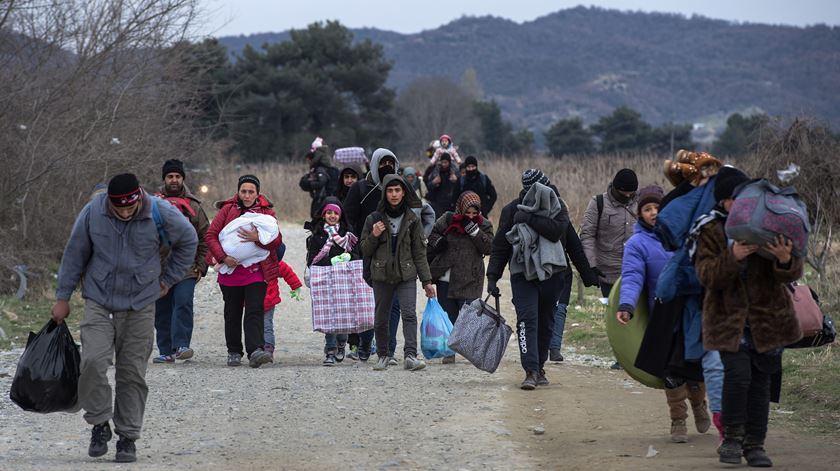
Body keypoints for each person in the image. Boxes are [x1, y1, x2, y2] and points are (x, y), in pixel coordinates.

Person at [52, 173, 197, 463]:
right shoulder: (94, 211)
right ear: (110, 202)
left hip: (141, 303)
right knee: (92, 361)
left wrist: (167, 279)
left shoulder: (160, 211)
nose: (125, 213)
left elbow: (189, 241)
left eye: (130, 208)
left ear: (138, 198)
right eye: (119, 209)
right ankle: (99, 422)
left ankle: (128, 437)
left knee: (131, 373)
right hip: (99, 299)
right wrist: (62, 297)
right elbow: (75, 253)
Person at [694, 167, 803, 467]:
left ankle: (756, 444)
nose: (742, 203)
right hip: (730, 322)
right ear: (724, 202)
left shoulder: (766, 226)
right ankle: (731, 439)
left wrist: (785, 260)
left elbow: (791, 274)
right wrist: (733, 257)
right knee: (738, 378)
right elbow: (706, 276)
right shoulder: (711, 230)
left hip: (769, 320)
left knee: (761, 384)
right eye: (734, 199)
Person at [615, 185, 711, 443]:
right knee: (669, 371)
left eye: (658, 207)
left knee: (692, 366)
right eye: (647, 209)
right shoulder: (636, 244)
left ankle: (700, 405)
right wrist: (626, 305)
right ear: (640, 214)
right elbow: (633, 277)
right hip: (663, 315)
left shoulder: (686, 235)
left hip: (690, 312)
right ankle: (678, 419)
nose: (653, 213)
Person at [487, 169, 570, 390]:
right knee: (527, 320)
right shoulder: (512, 210)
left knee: (546, 322)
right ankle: (530, 371)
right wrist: (492, 276)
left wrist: (530, 219)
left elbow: (559, 233)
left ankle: (540, 366)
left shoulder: (558, 207)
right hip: (522, 275)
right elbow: (501, 245)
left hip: (552, 276)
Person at [360, 175, 436, 372]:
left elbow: (420, 252)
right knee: (381, 317)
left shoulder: (412, 219)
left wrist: (427, 281)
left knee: (409, 314)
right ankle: (383, 356)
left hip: (406, 275)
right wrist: (374, 235)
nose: (394, 195)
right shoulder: (373, 219)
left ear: (404, 192)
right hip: (381, 275)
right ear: (385, 193)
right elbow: (364, 250)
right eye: (390, 190)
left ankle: (410, 355)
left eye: (397, 190)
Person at [206, 174, 282, 368]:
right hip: (230, 272)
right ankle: (233, 351)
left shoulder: (267, 213)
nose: (247, 195)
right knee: (232, 312)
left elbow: (277, 241)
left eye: (251, 192)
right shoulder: (227, 210)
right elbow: (211, 235)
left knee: (255, 309)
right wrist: (223, 258)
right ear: (238, 192)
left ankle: (255, 350)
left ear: (258, 194)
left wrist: (258, 237)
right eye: (243, 191)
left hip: (256, 272)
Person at [342, 148, 400, 361]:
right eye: (382, 163)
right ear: (375, 164)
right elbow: (348, 218)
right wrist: (356, 245)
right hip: (367, 253)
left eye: (391, 163)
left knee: (394, 305)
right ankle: (365, 345)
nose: (387, 167)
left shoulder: (399, 188)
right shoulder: (360, 188)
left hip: (395, 254)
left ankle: (389, 351)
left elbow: (418, 213)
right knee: (371, 304)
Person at [580, 168, 639, 369]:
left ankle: (637, 355)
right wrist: (592, 265)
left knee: (637, 313)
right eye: (625, 193)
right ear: (615, 189)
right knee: (617, 315)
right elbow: (587, 234)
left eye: (632, 193)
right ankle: (621, 357)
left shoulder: (641, 204)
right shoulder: (598, 203)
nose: (628, 197)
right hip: (608, 272)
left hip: (635, 270)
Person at [153, 159, 209, 364]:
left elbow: (205, 237)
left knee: (183, 303)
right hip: (159, 270)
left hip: (187, 268)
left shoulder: (194, 206)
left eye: (177, 176)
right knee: (162, 310)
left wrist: (201, 266)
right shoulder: (153, 204)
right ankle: (165, 350)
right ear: (164, 179)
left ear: (183, 178)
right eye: (170, 176)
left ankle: (182, 345)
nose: (174, 180)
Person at [427, 191, 494, 363]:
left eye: (474, 213)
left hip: (470, 277)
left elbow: (488, 248)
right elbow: (432, 234)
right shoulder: (448, 219)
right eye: (467, 213)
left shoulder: (484, 225)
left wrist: (474, 231)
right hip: (446, 276)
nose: (470, 216)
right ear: (461, 209)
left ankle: (470, 349)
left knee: (469, 317)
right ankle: (449, 351)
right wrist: (439, 242)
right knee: (449, 315)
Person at [306, 197, 361, 365]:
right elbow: (312, 259)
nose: (332, 215)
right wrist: (330, 261)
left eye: (335, 213)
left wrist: (348, 256)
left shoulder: (348, 234)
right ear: (323, 215)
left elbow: (358, 255)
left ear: (340, 215)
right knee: (329, 316)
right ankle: (330, 350)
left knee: (343, 315)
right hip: (325, 280)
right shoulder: (316, 236)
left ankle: (342, 344)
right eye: (328, 212)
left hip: (344, 281)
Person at [548, 221, 600, 362]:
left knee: (560, 308)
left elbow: (575, 248)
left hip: (562, 269)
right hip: (536, 270)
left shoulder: (562, 218)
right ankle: (540, 348)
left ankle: (554, 348)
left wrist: (588, 275)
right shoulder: (526, 215)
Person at [262, 245, 303, 361]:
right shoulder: (273, 264)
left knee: (265, 325)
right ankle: (262, 349)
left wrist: (296, 287)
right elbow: (288, 272)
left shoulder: (274, 264)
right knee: (262, 326)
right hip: (262, 300)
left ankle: (267, 349)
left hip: (268, 301)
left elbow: (287, 273)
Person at [299, 138, 339, 219]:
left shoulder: (319, 169)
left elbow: (322, 181)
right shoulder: (321, 167)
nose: (308, 162)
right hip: (321, 198)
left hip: (321, 198)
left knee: (317, 217)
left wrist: (310, 184)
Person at [424, 152, 459, 218]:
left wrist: (456, 180)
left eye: (446, 162)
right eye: (442, 162)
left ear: (449, 162)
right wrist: (434, 182)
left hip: (451, 202)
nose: (444, 164)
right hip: (438, 201)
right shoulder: (436, 171)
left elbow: (460, 186)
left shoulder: (455, 171)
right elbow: (428, 186)